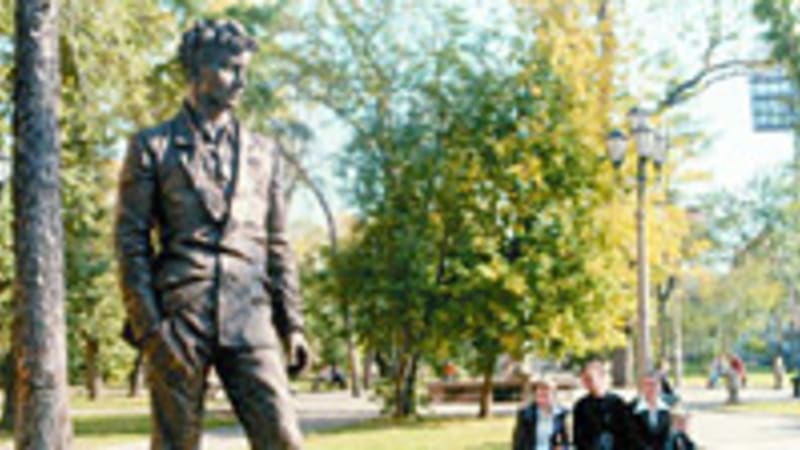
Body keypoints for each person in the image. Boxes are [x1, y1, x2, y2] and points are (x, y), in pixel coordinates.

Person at [115, 19, 309, 450]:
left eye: (244, 69)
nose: (240, 80)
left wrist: (292, 324)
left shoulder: (264, 152)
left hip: (250, 314)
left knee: (283, 439)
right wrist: (150, 329)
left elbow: (278, 245)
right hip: (180, 315)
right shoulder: (152, 147)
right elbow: (130, 244)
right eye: (228, 68)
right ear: (196, 69)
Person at [573, 360, 628, 450]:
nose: (586, 383)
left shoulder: (617, 403)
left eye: (590, 379)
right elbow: (579, 438)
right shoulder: (581, 406)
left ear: (601, 377)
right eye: (585, 380)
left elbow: (626, 434)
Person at [512, 379, 570, 450]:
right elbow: (518, 442)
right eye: (539, 395)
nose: (542, 399)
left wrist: (562, 448)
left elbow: (565, 441)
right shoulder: (525, 414)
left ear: (553, 396)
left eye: (545, 395)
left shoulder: (560, 414)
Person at [628, 372, 671, 450]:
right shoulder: (632, 408)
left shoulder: (666, 409)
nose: (652, 388)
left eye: (655, 384)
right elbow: (631, 436)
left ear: (660, 387)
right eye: (647, 384)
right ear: (642, 387)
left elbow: (667, 437)